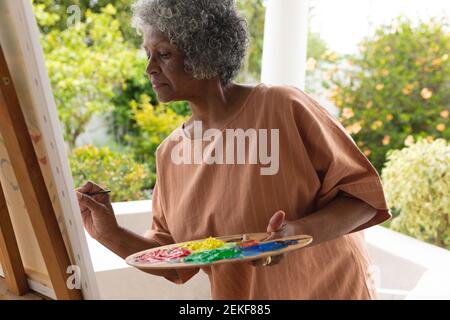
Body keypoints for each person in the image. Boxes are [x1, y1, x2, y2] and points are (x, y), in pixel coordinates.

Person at [76, 0, 391, 299]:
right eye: (147, 53)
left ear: (205, 53)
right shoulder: (170, 153)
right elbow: (174, 256)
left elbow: (362, 198)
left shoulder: (283, 106)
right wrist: (108, 231)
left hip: (330, 290)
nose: (149, 69)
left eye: (164, 54)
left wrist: (297, 234)